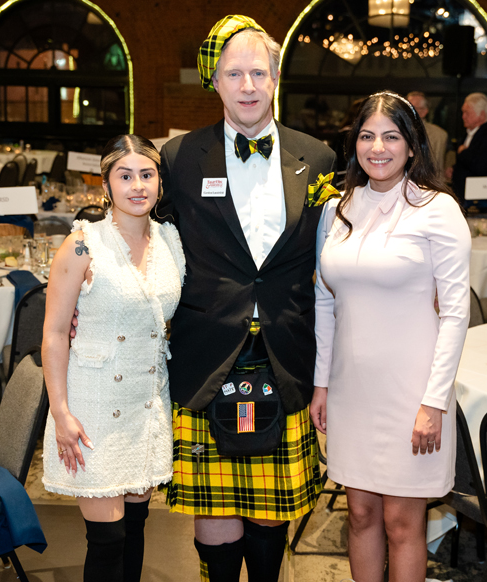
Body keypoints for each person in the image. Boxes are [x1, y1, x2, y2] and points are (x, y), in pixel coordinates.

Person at [158, 15, 336, 582]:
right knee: (214, 511)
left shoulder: (320, 158)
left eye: (259, 71)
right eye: (234, 73)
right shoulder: (179, 158)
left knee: (270, 513)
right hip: (206, 353)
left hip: (285, 353)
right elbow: (147, 239)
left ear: (277, 75)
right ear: (216, 82)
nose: (248, 85)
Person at [311, 92, 470, 582]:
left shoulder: (437, 210)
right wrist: (321, 384)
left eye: (390, 136)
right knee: (359, 515)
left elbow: (456, 313)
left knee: (403, 522)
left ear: (411, 146)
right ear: (353, 143)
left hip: (411, 394)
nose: (377, 147)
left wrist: (434, 401)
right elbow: (325, 301)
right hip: (350, 392)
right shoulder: (337, 208)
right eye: (366, 135)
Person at [42, 135, 185, 582]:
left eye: (147, 174)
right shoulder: (83, 246)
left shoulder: (172, 241)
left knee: (137, 528)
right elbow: (52, 333)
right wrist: (60, 412)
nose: (137, 186)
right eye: (125, 176)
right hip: (94, 406)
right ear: (106, 184)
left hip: (146, 403)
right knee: (107, 540)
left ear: (160, 182)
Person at [446, 92, 487, 209]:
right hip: (464, 196)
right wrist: (454, 169)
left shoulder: (484, 135)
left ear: (482, 115)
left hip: (479, 200)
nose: (463, 116)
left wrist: (463, 152)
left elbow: (481, 166)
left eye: (467, 112)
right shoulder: (468, 134)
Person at [407, 91, 448, 176]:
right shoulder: (395, 131)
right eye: (407, 108)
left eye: (413, 108)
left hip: (428, 184)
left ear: (425, 111)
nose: (408, 112)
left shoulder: (439, 135)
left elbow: (438, 169)